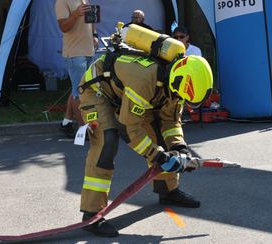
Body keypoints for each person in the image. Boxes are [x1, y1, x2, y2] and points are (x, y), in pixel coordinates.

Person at [77, 40, 213, 236]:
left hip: (128, 95)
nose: (181, 100)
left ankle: (167, 190)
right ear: (177, 81)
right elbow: (128, 127)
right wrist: (158, 156)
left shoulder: (178, 83)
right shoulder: (145, 78)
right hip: (98, 93)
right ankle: (92, 214)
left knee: (161, 136)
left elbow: (170, 121)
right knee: (107, 141)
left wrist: (180, 147)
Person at [55, 0, 98, 138]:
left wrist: (95, 35)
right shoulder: (61, 2)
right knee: (79, 93)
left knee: (77, 89)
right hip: (75, 53)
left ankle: (66, 123)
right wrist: (75, 15)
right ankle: (82, 130)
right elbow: (63, 27)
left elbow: (91, 21)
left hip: (89, 52)